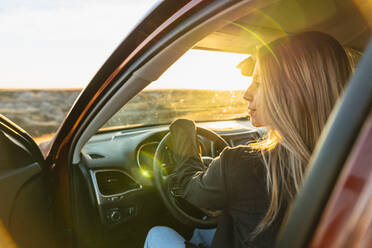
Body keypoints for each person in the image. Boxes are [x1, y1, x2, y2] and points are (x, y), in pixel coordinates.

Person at [144, 31, 352, 248]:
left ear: (293, 92)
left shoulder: (244, 165)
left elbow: (190, 190)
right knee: (206, 224)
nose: (246, 93)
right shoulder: (353, 163)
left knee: (157, 234)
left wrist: (184, 134)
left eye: (260, 83)